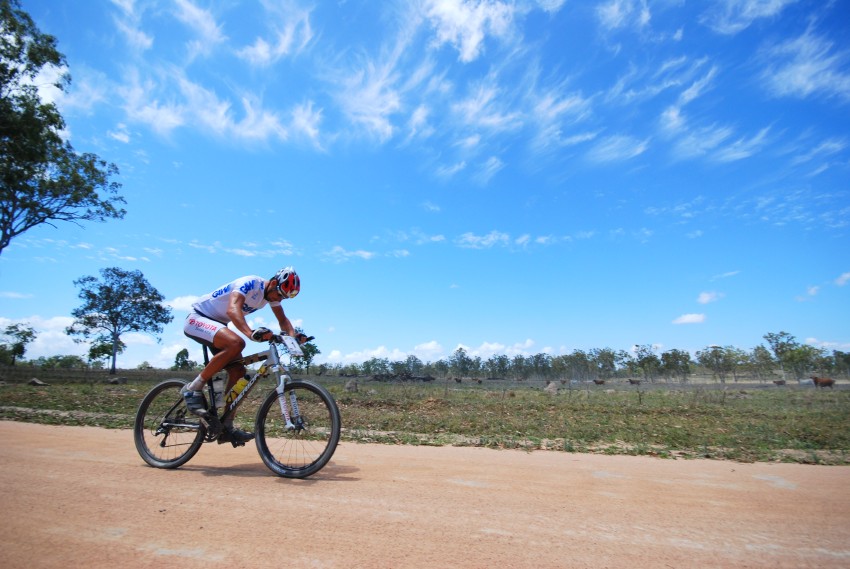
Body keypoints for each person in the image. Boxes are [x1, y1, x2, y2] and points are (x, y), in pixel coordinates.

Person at [181, 267, 310, 445]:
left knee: (238, 372)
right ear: (273, 283)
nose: (279, 300)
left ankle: (226, 427)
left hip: (217, 326)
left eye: (283, 298)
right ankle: (192, 388)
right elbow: (233, 310)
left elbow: (283, 320)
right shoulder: (250, 283)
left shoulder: (271, 295)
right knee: (237, 343)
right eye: (279, 295)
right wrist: (250, 334)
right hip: (198, 318)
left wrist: (292, 336)